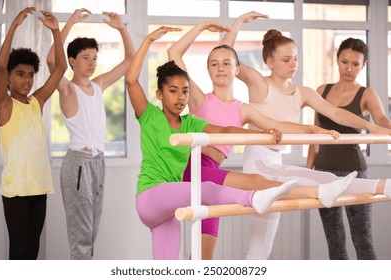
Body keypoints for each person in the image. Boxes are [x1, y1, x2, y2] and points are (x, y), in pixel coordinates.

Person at [126, 25, 364, 260]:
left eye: (184, 92)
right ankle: (314, 193)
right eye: (214, 64)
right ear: (207, 70)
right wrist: (165, 36)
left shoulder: (216, 115)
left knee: (199, 258)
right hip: (187, 177)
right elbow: (150, 70)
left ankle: (316, 192)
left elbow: (237, 129)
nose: (180, 97)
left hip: (196, 184)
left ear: (236, 69)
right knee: (250, 184)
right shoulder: (187, 104)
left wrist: (309, 128)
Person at [221, 11, 391, 260]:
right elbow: (224, 55)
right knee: (319, 178)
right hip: (258, 163)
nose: (293, 64)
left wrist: (375, 128)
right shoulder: (258, 82)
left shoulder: (303, 92)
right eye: (286, 59)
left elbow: (337, 113)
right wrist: (238, 23)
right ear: (270, 62)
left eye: (296, 59)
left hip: (274, 162)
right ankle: (383, 186)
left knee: (260, 247)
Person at [46, 8, 135, 260]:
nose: (92, 62)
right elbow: (53, 61)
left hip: (97, 163)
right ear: (72, 61)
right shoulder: (66, 88)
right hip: (78, 165)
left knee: (90, 235)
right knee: (81, 237)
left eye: (95, 57)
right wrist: (68, 23)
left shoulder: (99, 85)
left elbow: (130, 60)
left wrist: (121, 28)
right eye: (86, 57)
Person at [306, 38, 391, 259]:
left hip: (355, 173)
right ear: (337, 60)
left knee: (362, 239)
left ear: (363, 65)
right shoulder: (321, 91)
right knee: (335, 241)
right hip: (323, 173)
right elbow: (314, 133)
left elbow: (381, 119)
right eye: (345, 62)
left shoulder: (367, 94)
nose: (349, 68)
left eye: (355, 64)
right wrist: (309, 172)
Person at [0, 7, 67, 259]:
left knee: (33, 249)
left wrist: (56, 32)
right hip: (15, 192)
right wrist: (13, 26)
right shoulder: (4, 105)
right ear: (8, 79)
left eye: (30, 75)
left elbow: (60, 68)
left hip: (38, 188)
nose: (27, 80)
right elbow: (1, 64)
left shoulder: (37, 101)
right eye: (20, 75)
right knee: (19, 250)